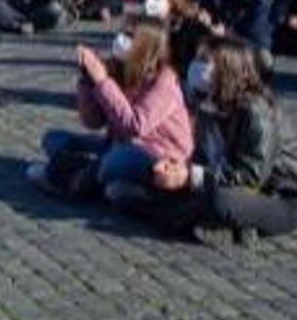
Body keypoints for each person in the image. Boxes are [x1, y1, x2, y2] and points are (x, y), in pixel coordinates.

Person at [137, 36, 297, 243]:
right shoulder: (208, 104)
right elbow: (204, 161)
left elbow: (250, 176)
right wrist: (178, 169)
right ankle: (226, 227)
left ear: (227, 69)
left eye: (205, 60)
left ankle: (191, 219)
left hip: (280, 195)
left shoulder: (257, 112)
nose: (196, 65)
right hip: (227, 184)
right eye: (197, 58)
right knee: (156, 179)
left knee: (220, 201)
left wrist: (190, 176)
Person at [27, 19, 192, 196]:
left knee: (114, 162)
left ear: (145, 47)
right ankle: (87, 175)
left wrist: (102, 81)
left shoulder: (164, 82)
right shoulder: (120, 69)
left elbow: (135, 126)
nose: (121, 40)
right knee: (53, 139)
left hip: (158, 155)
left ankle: (75, 179)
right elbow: (93, 121)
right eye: (122, 33)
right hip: (117, 144)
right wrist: (87, 82)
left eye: (129, 36)